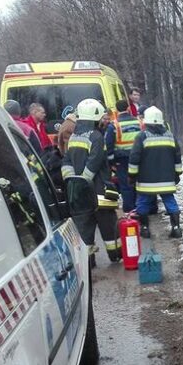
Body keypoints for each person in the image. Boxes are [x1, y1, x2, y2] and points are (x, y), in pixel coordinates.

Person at [61, 98, 122, 262]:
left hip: (80, 195)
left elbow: (66, 161)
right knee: (108, 224)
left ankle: (89, 261)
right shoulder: (96, 137)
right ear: (95, 118)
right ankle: (115, 255)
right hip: (100, 191)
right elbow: (94, 162)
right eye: (101, 118)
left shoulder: (74, 136)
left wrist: (72, 180)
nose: (103, 120)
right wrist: (84, 182)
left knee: (84, 227)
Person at [128, 106, 183, 239]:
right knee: (170, 201)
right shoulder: (170, 136)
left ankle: (145, 228)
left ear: (146, 122)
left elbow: (135, 157)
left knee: (143, 203)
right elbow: (177, 156)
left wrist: (132, 175)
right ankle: (176, 228)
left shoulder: (142, 136)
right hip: (167, 178)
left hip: (146, 180)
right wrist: (177, 174)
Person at [105, 99, 142, 213]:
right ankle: (141, 207)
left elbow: (109, 145)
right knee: (139, 182)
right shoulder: (139, 122)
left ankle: (129, 209)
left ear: (116, 110)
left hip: (122, 160)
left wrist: (111, 163)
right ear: (128, 108)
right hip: (139, 158)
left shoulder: (114, 125)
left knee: (125, 185)